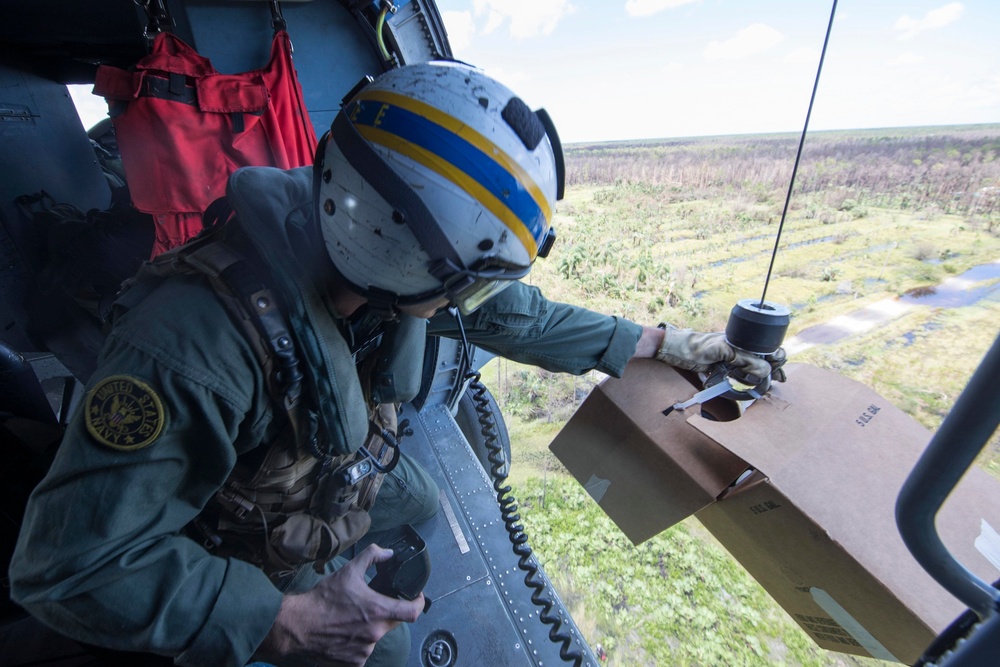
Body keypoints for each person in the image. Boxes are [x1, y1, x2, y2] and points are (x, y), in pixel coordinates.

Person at [8, 61, 783, 667]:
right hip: (233, 526)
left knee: (417, 500)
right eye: (466, 282)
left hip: (331, 467)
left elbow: (510, 314)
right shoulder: (187, 349)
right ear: (396, 256)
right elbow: (65, 565)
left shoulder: (368, 247)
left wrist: (662, 343)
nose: (474, 300)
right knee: (390, 651)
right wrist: (282, 620)